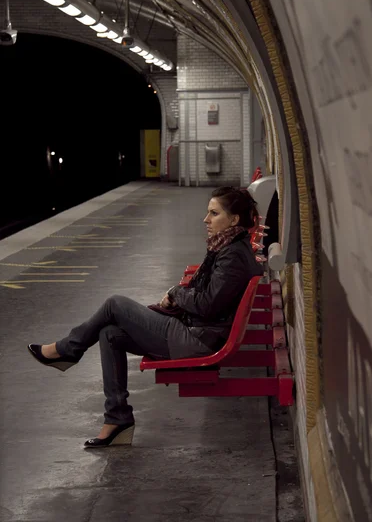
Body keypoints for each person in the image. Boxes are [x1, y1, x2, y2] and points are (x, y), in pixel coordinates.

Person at [28, 186, 263, 449]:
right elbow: (208, 298)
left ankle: (67, 349)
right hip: (196, 331)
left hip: (197, 339)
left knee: (115, 303)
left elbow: (207, 304)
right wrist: (180, 297)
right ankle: (117, 419)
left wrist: (175, 293)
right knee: (110, 334)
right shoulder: (230, 247)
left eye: (213, 213)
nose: (205, 220)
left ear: (234, 220)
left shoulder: (232, 256)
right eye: (207, 213)